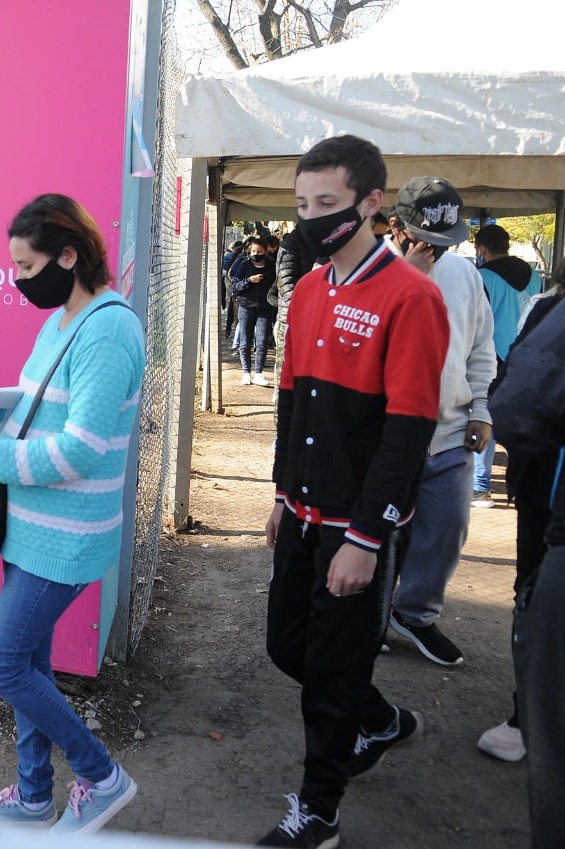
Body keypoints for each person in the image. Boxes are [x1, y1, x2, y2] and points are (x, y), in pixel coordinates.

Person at [0, 193, 145, 834]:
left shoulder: (108, 328)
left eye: (26, 267)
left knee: (0, 665)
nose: (19, 280)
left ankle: (102, 777)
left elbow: (80, 449)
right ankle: (31, 796)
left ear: (69, 255)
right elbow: (37, 401)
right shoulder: (66, 318)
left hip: (66, 536)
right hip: (33, 528)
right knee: (28, 665)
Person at [260, 135, 449, 849]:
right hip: (302, 511)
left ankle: (319, 810)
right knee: (287, 646)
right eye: (303, 204)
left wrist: (368, 536)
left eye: (328, 204)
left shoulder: (413, 296)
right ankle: (378, 718)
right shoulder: (307, 288)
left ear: (373, 203)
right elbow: (290, 401)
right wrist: (282, 493)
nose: (311, 218)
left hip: (353, 525)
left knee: (331, 675)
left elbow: (408, 431)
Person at [382, 177, 496, 667]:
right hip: (384, 434)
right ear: (395, 227)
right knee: (378, 535)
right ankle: (368, 617)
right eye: (428, 240)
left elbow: (480, 347)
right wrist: (408, 278)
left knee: (449, 527)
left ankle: (414, 614)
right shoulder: (369, 272)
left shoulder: (465, 276)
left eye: (447, 242)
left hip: (448, 431)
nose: (437, 251)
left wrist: (483, 407)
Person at [487, 293, 565, 849]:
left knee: (536, 602)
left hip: (551, 501)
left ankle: (525, 719)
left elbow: (512, 405)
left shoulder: (551, 310)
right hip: (546, 497)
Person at [472, 224, 544, 507]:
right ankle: (520, 485)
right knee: (518, 420)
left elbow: (477, 320)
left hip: (492, 357)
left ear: (482, 249)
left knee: (484, 416)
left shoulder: (482, 277)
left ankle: (480, 487)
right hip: (526, 355)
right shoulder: (535, 275)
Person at [270, 228, 316, 393]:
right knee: (285, 379)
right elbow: (285, 284)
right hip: (292, 320)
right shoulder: (291, 243)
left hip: (320, 322)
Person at [229, 238, 277, 385]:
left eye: (259, 251)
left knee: (262, 341)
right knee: (245, 340)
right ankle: (246, 372)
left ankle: (259, 373)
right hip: (246, 307)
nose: (256, 254)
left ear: (265, 251)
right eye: (254, 251)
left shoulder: (271, 267)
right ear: (250, 251)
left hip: (265, 308)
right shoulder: (244, 265)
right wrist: (249, 280)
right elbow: (234, 286)